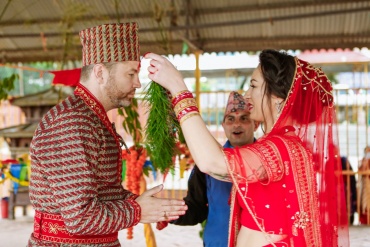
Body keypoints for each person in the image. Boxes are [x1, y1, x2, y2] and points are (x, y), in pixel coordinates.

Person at [144, 49, 349, 246]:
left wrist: (178, 87)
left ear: (277, 97)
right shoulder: (284, 145)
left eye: (253, 85)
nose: (246, 95)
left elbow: (212, 162)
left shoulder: (280, 147)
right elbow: (223, 165)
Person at [27, 22, 187, 246]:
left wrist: (147, 205)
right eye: (131, 73)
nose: (138, 83)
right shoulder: (71, 122)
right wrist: (137, 210)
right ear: (100, 73)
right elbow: (80, 218)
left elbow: (103, 195)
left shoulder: (90, 117)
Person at [170, 91, 259, 247]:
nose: (236, 124)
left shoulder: (268, 160)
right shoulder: (207, 163)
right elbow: (196, 208)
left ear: (256, 124)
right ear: (223, 125)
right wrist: (169, 213)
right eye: (230, 119)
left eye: (244, 118)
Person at [341, 156, 357, 225]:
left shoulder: (344, 160)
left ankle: (349, 219)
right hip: (340, 187)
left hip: (347, 188)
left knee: (348, 203)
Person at [359, 146, 370, 224]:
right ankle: (365, 219)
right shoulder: (363, 160)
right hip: (365, 182)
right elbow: (361, 170)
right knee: (365, 200)